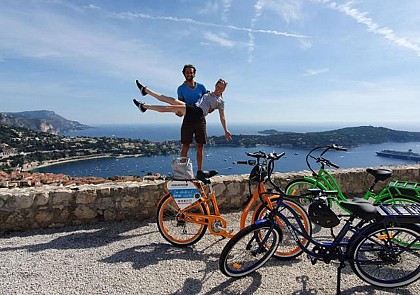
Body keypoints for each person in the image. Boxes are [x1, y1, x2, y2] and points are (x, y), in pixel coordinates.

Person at [133, 79, 232, 174]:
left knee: (169, 108)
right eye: (218, 86)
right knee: (170, 100)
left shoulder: (220, 102)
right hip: (193, 107)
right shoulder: (208, 92)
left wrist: (226, 130)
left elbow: (222, 116)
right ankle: (145, 90)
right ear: (215, 85)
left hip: (197, 113)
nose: (219, 89)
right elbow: (195, 91)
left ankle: (144, 106)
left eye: (221, 88)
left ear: (224, 89)